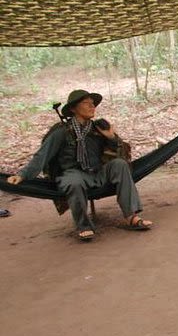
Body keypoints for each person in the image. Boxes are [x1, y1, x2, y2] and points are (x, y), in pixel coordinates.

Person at [6, 89, 152, 241]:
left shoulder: (98, 128)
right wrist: (22, 175)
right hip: (73, 174)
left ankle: (131, 216)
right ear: (73, 109)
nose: (92, 106)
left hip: (97, 172)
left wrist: (111, 138)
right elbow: (42, 155)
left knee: (120, 165)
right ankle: (83, 226)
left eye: (93, 103)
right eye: (86, 103)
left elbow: (122, 152)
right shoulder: (61, 132)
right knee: (74, 181)